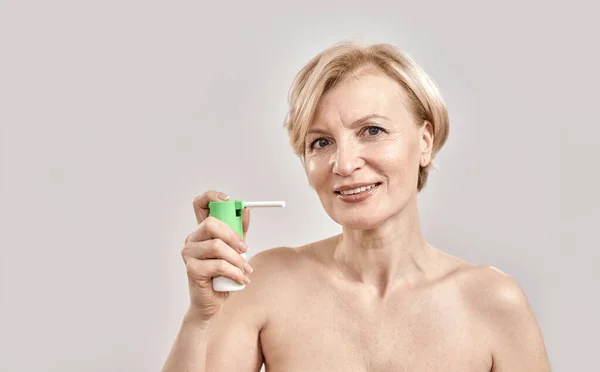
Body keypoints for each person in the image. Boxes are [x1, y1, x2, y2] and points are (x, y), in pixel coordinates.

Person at [162, 41, 551, 371]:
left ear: (426, 141)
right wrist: (202, 318)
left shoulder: (493, 304)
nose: (344, 164)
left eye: (373, 131)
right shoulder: (265, 284)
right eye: (321, 142)